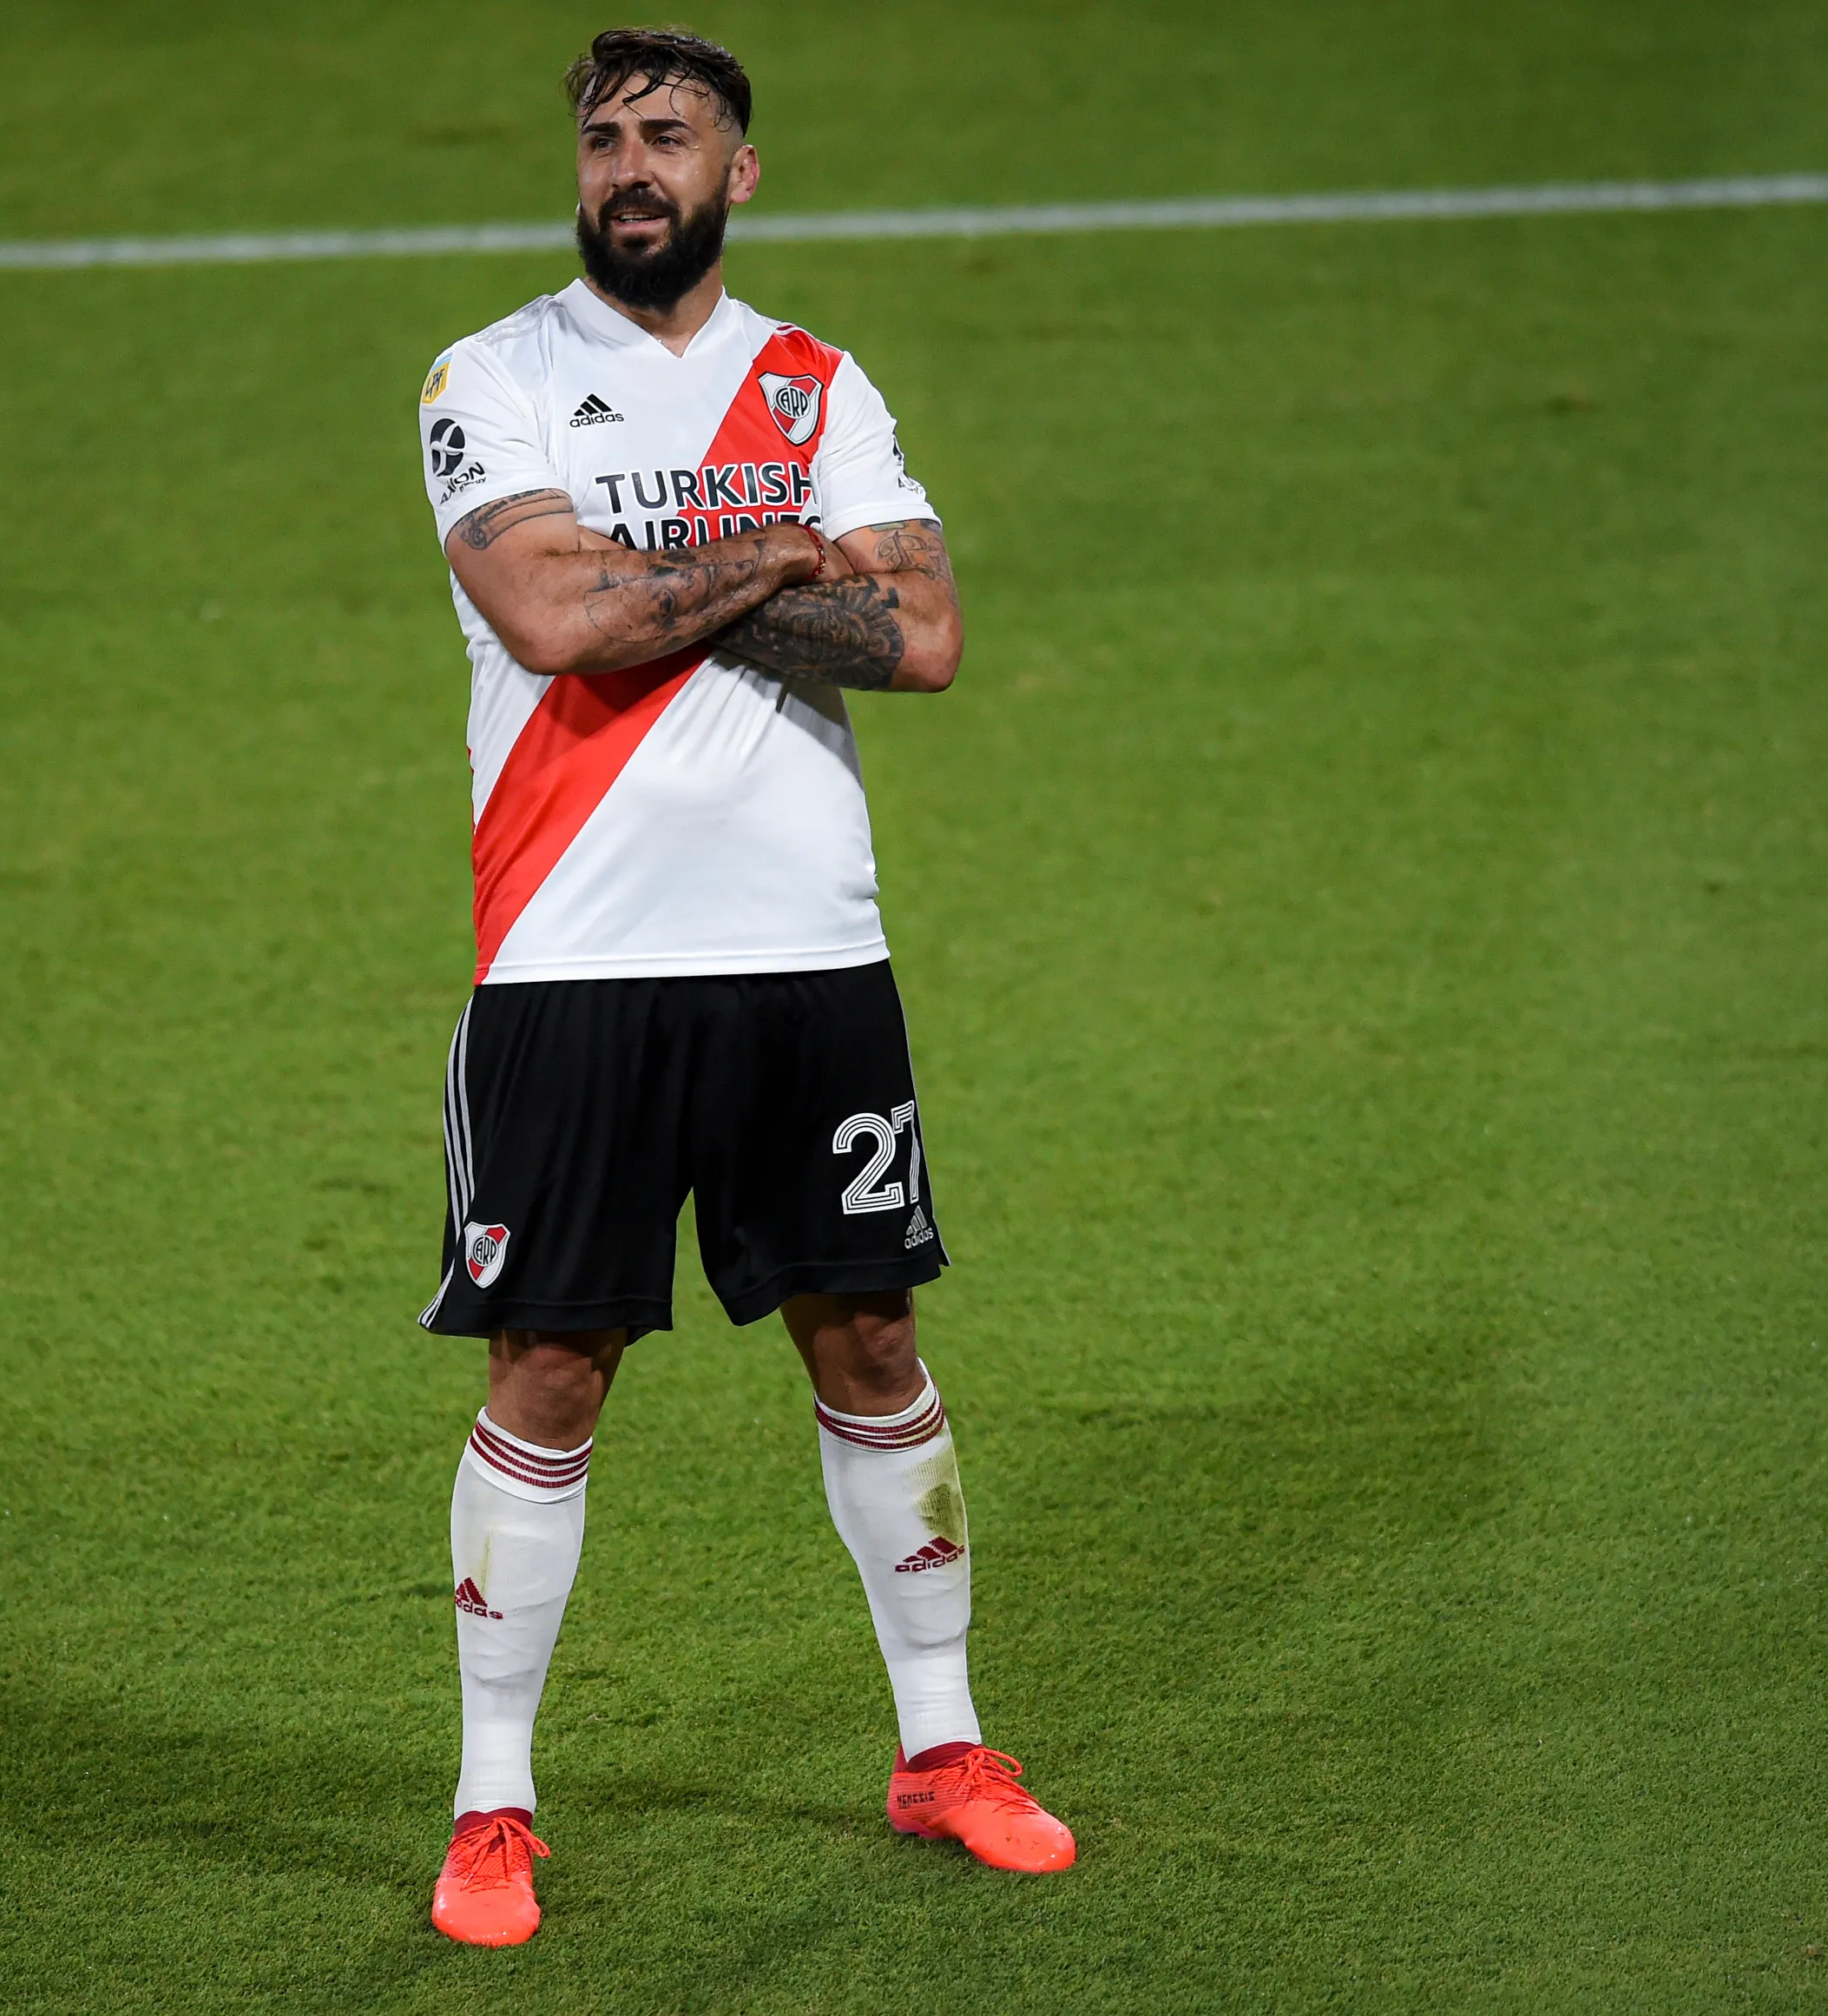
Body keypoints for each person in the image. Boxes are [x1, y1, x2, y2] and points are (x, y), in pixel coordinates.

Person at [414, 26, 1075, 1947]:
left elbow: (925, 636)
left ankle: (942, 1748)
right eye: (605, 139)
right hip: (575, 960)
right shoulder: (495, 377)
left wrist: (670, 569)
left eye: (669, 136)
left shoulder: (821, 382)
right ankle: (490, 1804)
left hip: (811, 961)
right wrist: (778, 547)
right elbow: (547, 619)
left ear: (737, 173)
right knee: (552, 1362)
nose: (630, 166)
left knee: (868, 1343)